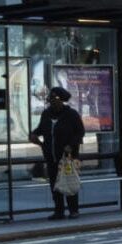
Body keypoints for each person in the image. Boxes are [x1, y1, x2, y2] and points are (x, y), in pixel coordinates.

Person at [33, 86, 86, 220]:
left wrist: (71, 145)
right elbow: (40, 129)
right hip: (51, 156)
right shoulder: (46, 114)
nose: (52, 101)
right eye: (50, 98)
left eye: (55, 98)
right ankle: (59, 210)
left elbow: (80, 132)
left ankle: (74, 210)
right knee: (55, 184)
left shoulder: (71, 114)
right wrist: (34, 135)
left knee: (69, 181)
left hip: (68, 157)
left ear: (62, 99)